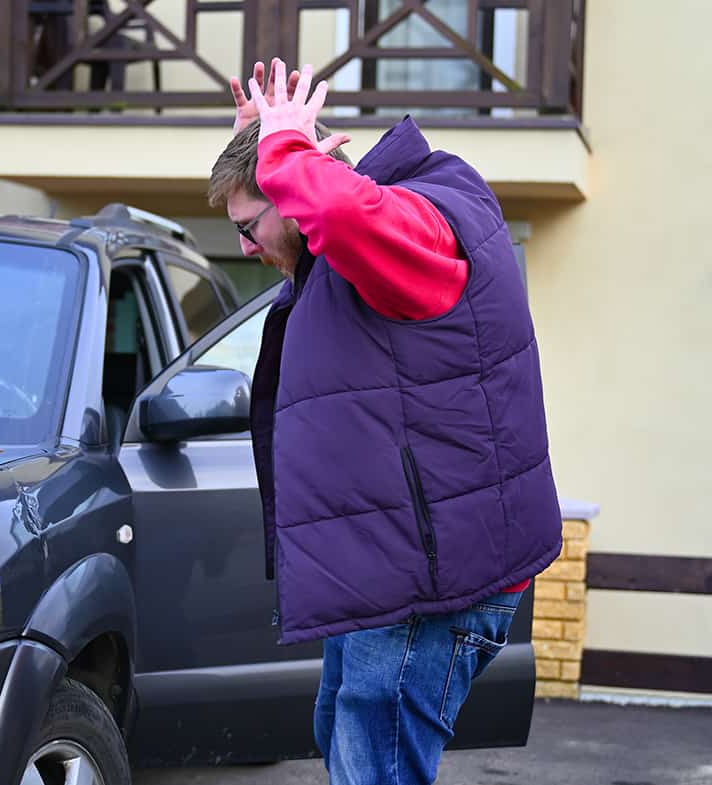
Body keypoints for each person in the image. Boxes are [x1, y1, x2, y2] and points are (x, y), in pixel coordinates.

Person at [208, 58, 563, 785]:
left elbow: (343, 212)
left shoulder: (421, 222)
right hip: (397, 571)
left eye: (249, 226)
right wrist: (268, 146)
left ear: (298, 185)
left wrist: (282, 156)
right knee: (343, 734)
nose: (245, 247)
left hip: (428, 585)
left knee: (374, 765)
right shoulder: (360, 247)